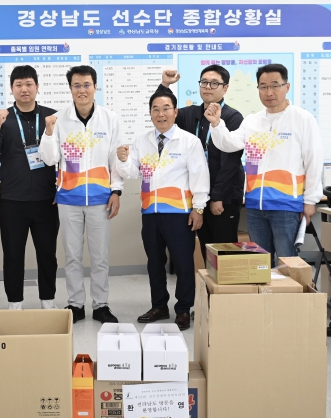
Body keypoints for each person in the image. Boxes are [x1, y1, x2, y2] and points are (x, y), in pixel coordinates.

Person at [206, 63, 323, 261]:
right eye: (263, 86)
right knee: (259, 264)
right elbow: (229, 144)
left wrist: (310, 201)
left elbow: (314, 161)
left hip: (286, 205)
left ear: (286, 87)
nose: (269, 92)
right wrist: (217, 123)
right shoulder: (252, 121)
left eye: (275, 85)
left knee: (287, 262)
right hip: (254, 206)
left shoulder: (303, 119)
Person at [116, 90, 209, 330]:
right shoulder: (141, 141)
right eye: (155, 109)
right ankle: (159, 306)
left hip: (179, 213)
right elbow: (132, 173)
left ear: (175, 112)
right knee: (154, 262)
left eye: (166, 108)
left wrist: (198, 208)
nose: (161, 114)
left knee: (183, 263)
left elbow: (200, 176)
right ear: (150, 113)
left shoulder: (189, 141)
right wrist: (123, 159)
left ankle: (183, 309)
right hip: (150, 212)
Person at [40, 65, 122, 324]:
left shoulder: (110, 119)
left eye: (87, 85)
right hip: (68, 199)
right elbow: (49, 158)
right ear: (70, 89)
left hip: (100, 199)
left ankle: (101, 305)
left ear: (95, 87)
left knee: (100, 257)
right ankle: (75, 303)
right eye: (77, 85)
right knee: (73, 256)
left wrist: (117, 190)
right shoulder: (58, 119)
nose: (82, 90)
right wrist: (49, 133)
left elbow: (115, 159)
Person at [0, 65, 59, 310]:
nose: (24, 89)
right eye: (19, 85)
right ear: (12, 88)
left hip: (46, 199)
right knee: (13, 255)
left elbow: (63, 156)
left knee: (47, 254)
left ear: (37, 87)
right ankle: (15, 302)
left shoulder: (51, 116)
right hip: (13, 200)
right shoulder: (3, 118)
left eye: (29, 84)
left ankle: (48, 299)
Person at [157, 66, 244, 261]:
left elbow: (231, 163)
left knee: (224, 252)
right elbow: (164, 110)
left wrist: (217, 197)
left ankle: (226, 283)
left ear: (225, 88)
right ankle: (210, 282)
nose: (208, 87)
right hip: (198, 195)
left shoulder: (232, 117)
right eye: (204, 82)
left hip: (224, 196)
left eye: (214, 83)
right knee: (207, 249)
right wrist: (165, 86)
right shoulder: (191, 114)